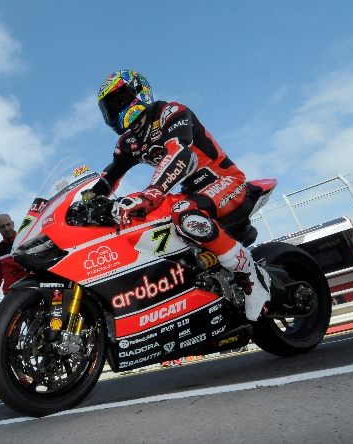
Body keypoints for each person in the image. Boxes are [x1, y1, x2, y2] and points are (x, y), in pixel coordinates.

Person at [94, 70, 271, 322]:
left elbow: (181, 155)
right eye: (108, 107)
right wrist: (86, 200)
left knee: (183, 212)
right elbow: (109, 177)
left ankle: (252, 278)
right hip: (191, 193)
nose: (113, 111)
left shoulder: (171, 112)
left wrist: (151, 193)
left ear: (138, 92)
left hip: (226, 181)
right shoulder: (129, 142)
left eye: (118, 101)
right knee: (142, 220)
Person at [0, 214, 30, 317]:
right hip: (11, 294)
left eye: (8, 224)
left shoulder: (26, 240)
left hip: (30, 290)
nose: (6, 228)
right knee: (9, 330)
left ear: (13, 223)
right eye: (2, 226)